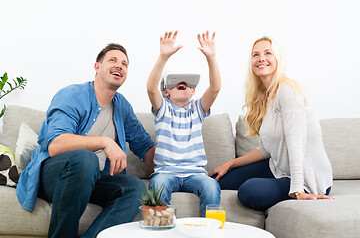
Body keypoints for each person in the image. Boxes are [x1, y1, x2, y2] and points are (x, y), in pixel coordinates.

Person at [16, 43, 156, 238]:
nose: (119, 66)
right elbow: (56, 144)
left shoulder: (122, 106)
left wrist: (181, 162)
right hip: (56, 177)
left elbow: (146, 147)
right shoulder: (73, 95)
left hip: (93, 179)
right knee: (85, 159)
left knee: (136, 187)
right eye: (112, 60)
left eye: (124, 64)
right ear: (97, 67)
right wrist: (106, 142)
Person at [209, 36, 334, 211]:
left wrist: (298, 190)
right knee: (219, 180)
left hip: (307, 178)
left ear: (278, 59)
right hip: (278, 169)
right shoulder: (266, 96)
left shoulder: (287, 90)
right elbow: (267, 149)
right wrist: (230, 164)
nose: (261, 58)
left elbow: (295, 142)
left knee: (249, 191)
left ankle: (295, 188)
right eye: (256, 55)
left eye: (268, 53)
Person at [146, 30, 221, 217]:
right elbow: (150, 87)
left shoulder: (197, 109)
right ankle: (159, 230)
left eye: (187, 83)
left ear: (193, 92)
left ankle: (209, 231)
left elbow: (215, 88)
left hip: (195, 173)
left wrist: (211, 57)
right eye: (176, 82)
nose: (182, 83)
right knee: (158, 186)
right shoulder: (163, 109)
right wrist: (163, 57)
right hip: (166, 172)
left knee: (212, 186)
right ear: (166, 92)